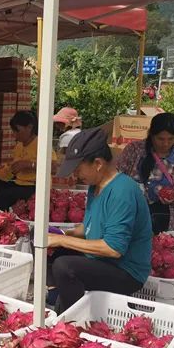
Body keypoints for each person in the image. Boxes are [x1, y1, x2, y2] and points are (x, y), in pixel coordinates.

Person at [47, 128, 151, 313]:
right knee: (52, 253)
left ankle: (73, 321)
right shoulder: (95, 186)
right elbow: (88, 228)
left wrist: (62, 240)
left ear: (98, 163)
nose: (76, 175)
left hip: (125, 272)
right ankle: (63, 303)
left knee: (64, 266)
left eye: (78, 169)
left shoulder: (122, 191)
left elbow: (113, 249)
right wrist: (60, 234)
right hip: (102, 261)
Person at [117, 112, 174, 233]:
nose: (165, 143)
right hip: (130, 214)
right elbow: (117, 175)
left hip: (166, 220)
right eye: (160, 138)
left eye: (171, 139)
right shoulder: (134, 150)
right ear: (151, 134)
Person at [0, 110, 44, 211]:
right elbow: (15, 168)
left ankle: (1, 221)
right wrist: (5, 170)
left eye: (17, 131)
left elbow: (53, 167)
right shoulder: (19, 146)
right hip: (17, 182)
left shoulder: (41, 144)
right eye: (13, 131)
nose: (14, 135)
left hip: (34, 186)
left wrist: (29, 164)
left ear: (29, 127)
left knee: (3, 196)